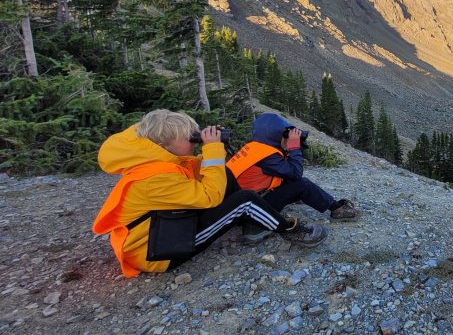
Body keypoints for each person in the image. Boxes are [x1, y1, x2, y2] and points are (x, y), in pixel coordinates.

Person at [92, 109, 328, 278]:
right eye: (190, 138)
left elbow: (206, 175)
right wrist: (213, 150)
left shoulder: (157, 161)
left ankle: (252, 219)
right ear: (164, 146)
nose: (194, 141)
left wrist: (210, 150)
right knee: (245, 201)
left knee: (223, 175)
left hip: (169, 228)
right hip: (159, 252)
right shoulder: (154, 178)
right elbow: (209, 197)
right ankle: (290, 230)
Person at [227, 113, 361, 242]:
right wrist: (294, 148)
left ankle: (306, 200)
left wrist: (295, 145)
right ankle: (337, 209)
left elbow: (284, 173)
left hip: (238, 207)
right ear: (275, 136)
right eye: (284, 135)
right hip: (250, 213)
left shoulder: (254, 149)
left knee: (290, 180)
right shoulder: (267, 156)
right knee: (302, 184)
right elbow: (296, 173)